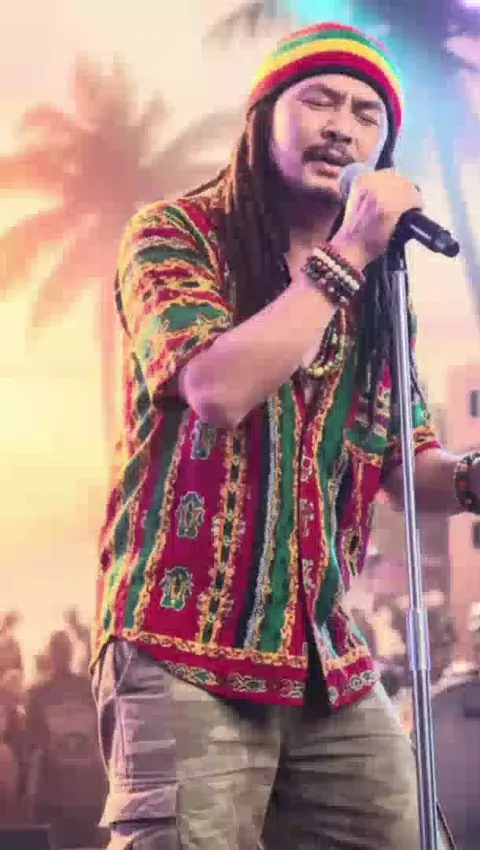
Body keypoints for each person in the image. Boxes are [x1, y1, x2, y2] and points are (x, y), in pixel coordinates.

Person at [91, 21, 479, 849]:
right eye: (320, 101)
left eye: (367, 115)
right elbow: (216, 388)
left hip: (323, 660)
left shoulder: (377, 291)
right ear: (263, 116)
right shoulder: (174, 235)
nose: (343, 126)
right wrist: (349, 253)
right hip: (180, 643)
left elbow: (406, 466)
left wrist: (475, 474)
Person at [24, 631, 105, 848]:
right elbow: (33, 744)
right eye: (57, 650)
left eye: (64, 650)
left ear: (70, 653)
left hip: (87, 790)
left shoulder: (87, 688)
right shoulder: (38, 693)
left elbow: (102, 733)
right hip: (56, 793)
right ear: (50, 654)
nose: (61, 655)